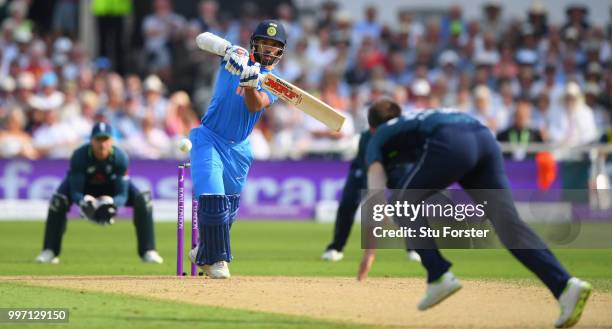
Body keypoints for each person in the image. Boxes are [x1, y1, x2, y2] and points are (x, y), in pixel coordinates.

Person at [357, 100, 591, 328]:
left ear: (372, 128)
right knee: (508, 225)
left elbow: (375, 193)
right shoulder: (414, 119)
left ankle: (438, 275)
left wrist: (370, 250)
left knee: (402, 203)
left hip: (451, 139)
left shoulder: (377, 137)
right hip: (484, 137)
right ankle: (565, 287)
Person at [188, 20, 286, 279]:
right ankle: (217, 259)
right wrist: (228, 49)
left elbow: (255, 106)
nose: (268, 49)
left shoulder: (275, 83)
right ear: (255, 42)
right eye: (265, 42)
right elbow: (201, 38)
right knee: (213, 198)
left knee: (229, 210)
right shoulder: (235, 57)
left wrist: (252, 83)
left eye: (274, 46)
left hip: (239, 148)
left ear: (280, 52)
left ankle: (203, 252)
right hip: (209, 137)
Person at [35, 122, 163, 264]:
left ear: (112, 141)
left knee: (143, 200)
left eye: (105, 140)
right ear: (91, 141)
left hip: (111, 188)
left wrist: (113, 203)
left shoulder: (120, 157)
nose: (102, 145)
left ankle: (148, 251)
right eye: (98, 140)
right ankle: (50, 251)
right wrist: (83, 201)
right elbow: (75, 191)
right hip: (85, 188)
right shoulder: (80, 156)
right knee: (57, 201)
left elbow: (123, 194)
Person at [321, 128, 421, 263]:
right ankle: (336, 248)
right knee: (348, 203)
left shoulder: (401, 137)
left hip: (395, 169)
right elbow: (369, 173)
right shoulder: (366, 138)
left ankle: (414, 248)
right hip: (365, 170)